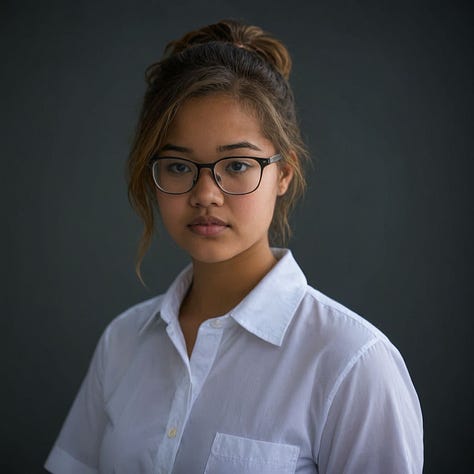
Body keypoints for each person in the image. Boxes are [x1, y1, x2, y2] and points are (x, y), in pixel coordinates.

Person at [45, 19, 423, 474]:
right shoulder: (123, 343)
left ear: (283, 173)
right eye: (179, 166)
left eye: (238, 164)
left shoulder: (351, 362)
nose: (206, 193)